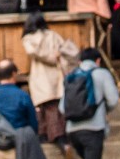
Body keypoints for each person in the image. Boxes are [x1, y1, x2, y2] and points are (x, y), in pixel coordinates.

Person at [21, 12, 79, 148]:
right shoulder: (53, 35)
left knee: (42, 108)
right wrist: (55, 57)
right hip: (56, 76)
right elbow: (67, 51)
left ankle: (49, 136)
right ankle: (60, 137)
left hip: (39, 77)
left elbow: (32, 52)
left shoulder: (29, 39)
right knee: (55, 107)